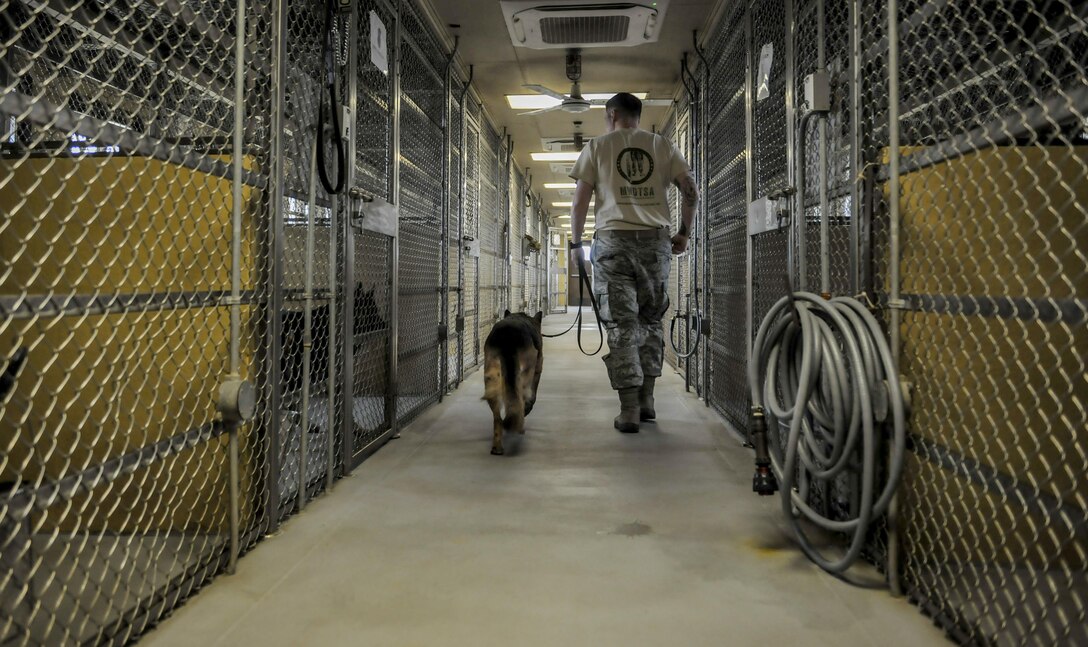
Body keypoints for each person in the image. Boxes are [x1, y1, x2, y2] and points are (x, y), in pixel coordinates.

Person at [568, 92, 698, 433]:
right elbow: (690, 189)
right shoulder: (662, 145)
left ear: (612, 114)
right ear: (637, 115)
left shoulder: (598, 146)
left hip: (613, 242)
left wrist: (577, 241)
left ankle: (628, 410)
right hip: (656, 242)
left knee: (622, 324)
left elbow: (580, 201)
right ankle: (647, 400)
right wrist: (684, 232)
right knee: (651, 320)